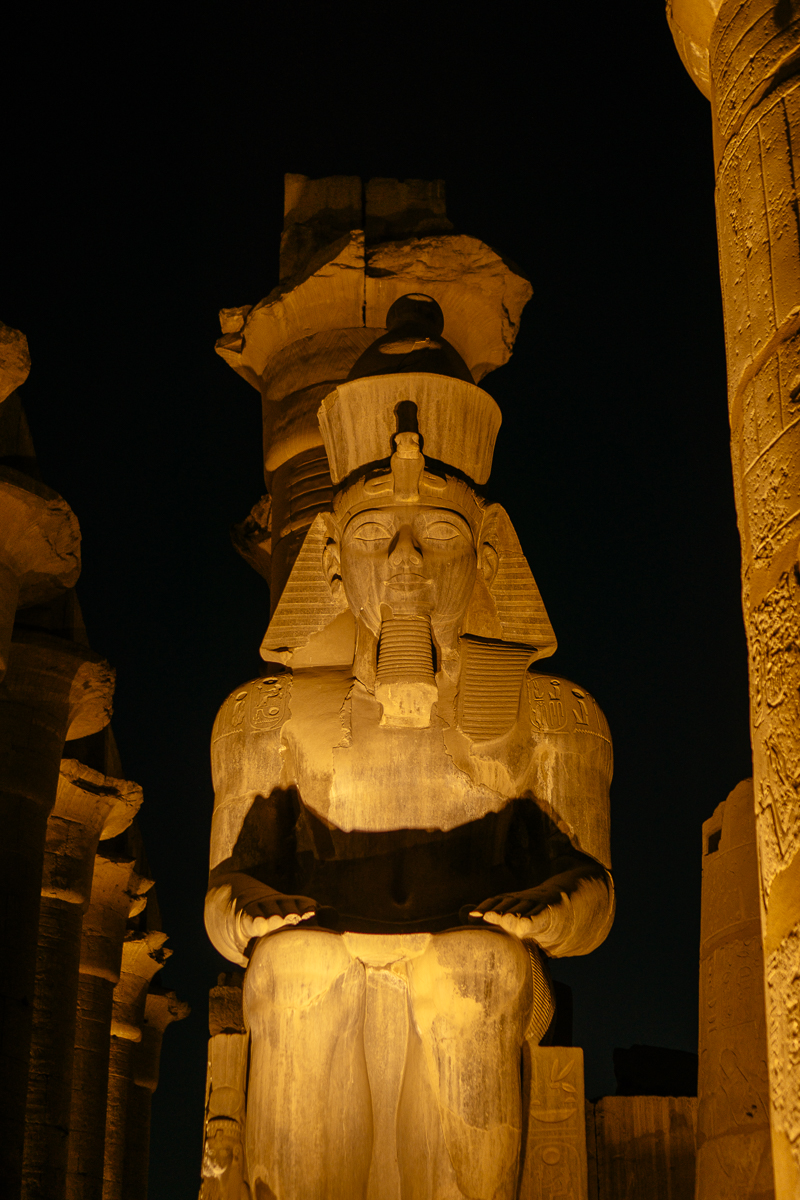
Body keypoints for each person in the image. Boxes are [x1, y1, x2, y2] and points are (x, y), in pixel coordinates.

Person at [205, 327, 614, 1199]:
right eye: (373, 537)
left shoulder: (553, 712)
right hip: (328, 950)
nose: (404, 565)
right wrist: (241, 912)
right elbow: (224, 889)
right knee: (293, 968)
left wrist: (554, 909)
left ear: (487, 551)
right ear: (329, 559)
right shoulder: (260, 716)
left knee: (470, 971)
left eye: (435, 535)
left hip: (481, 962)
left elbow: (593, 896)